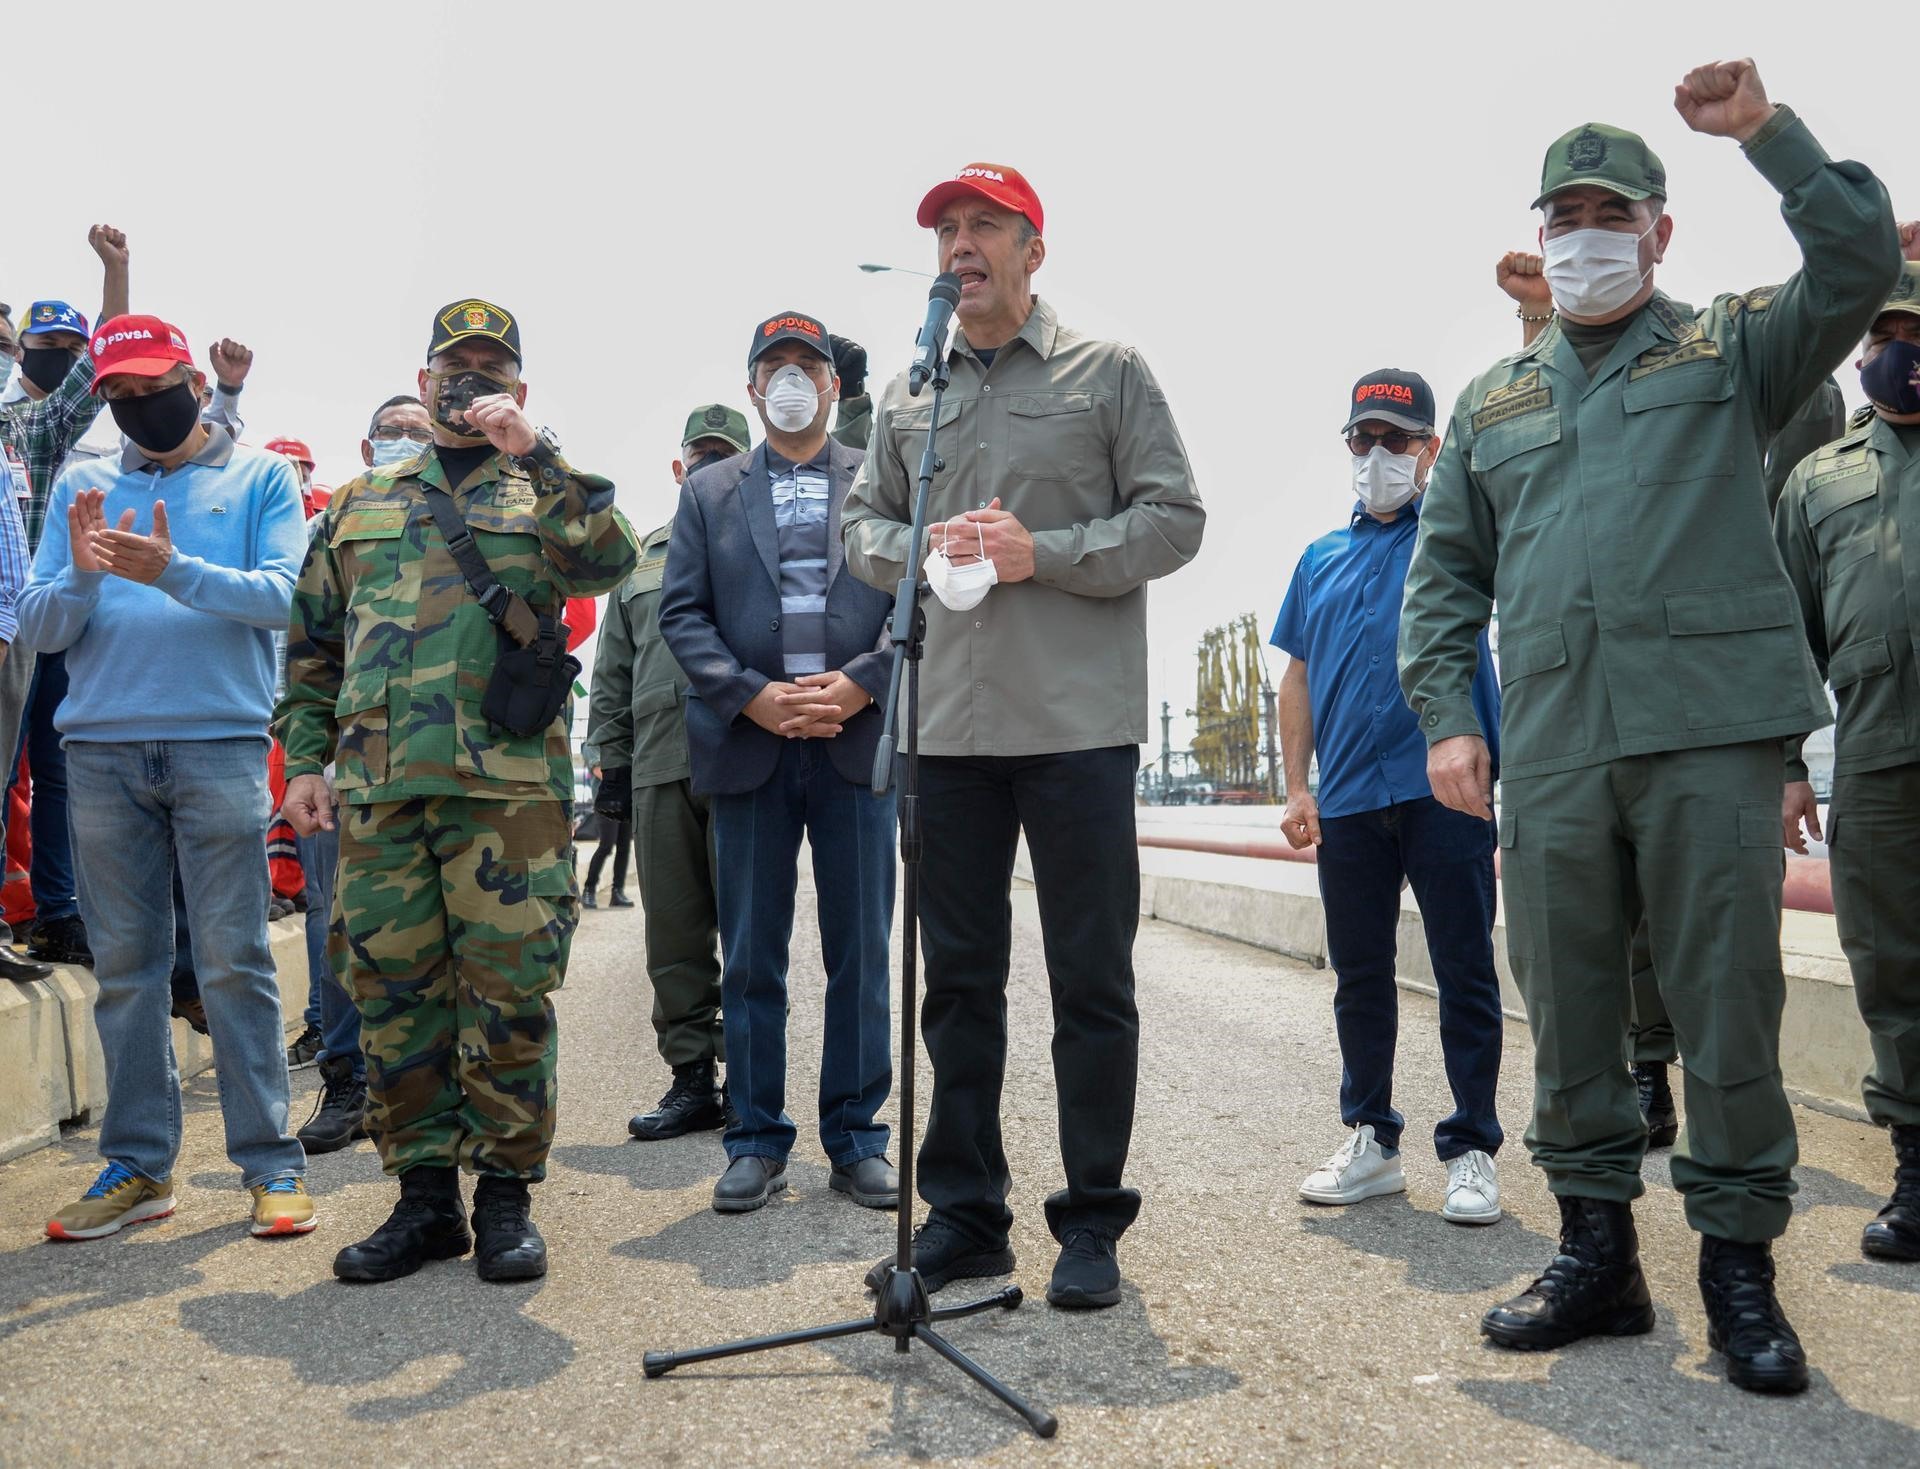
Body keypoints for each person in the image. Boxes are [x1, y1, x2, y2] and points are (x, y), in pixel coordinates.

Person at [1398, 61, 1900, 1395]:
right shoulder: (1498, 402)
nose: (1581, 235)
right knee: (1566, 1000)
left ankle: (1739, 1263)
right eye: (1561, 213)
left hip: (1710, 738)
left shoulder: (1730, 348)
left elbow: (1853, 258)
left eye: (1609, 211)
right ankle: (1597, 1253)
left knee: (1725, 1004)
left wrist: (1764, 133)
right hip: (1557, 743)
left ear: (1659, 232)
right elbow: (1444, 573)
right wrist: (1452, 715)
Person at [843, 163, 1205, 1308]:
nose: (962, 244)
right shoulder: (911, 394)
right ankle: (965, 1214)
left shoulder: (1109, 372)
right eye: (948, 228)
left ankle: (1091, 1220)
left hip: (1076, 728)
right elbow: (862, 522)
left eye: (984, 226)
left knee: (1090, 976)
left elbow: (1175, 518)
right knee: (956, 984)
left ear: (1033, 249)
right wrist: (923, 550)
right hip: (945, 726)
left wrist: (1033, 552)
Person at [278, 299, 634, 1283]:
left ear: (516, 384)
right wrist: (306, 759)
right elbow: (310, 648)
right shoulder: (358, 503)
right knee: (396, 999)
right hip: (384, 798)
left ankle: (508, 1195)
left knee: (509, 997)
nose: (469, 378)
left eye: (491, 366)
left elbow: (612, 553)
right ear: (425, 375)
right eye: (454, 363)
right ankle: (425, 1200)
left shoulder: (543, 493)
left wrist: (539, 452)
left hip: (506, 799)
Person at [1494, 248, 1849, 1151]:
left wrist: (1784, 756)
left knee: (1722, 962)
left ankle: (1734, 1213)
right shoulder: (1549, 393)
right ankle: (1645, 1078)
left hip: (1723, 698)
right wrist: (1542, 324)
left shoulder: (1741, 376)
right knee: (1624, 936)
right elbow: (1559, 473)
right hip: (1601, 702)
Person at [21, 313, 313, 1240]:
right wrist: (81, 576)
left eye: (153, 387)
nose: (139, 406)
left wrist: (171, 568)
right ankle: (139, 1167)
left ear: (190, 377)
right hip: (101, 753)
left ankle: (269, 1164)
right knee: (126, 972)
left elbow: (285, 597)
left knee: (235, 963)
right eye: (118, 394)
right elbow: (37, 624)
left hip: (219, 745)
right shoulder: (81, 482)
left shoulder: (261, 475)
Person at [659, 312, 899, 1215]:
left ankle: (857, 1137)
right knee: (752, 957)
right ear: (754, 389)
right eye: (777, 367)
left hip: (854, 743)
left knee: (861, 955)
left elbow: (908, 604)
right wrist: (749, 694)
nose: (793, 379)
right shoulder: (710, 490)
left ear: (835, 386)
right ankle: (755, 1138)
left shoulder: (880, 480)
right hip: (750, 744)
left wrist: (863, 684)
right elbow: (682, 613)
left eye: (810, 365)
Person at [1275, 369, 1507, 1225]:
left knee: (1462, 968)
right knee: (1360, 975)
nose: (1376, 455)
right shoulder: (1318, 559)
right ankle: (1371, 1136)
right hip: (1348, 802)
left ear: (1429, 450)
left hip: (1445, 789)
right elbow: (1295, 680)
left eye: (1395, 440)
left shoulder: (1458, 540)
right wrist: (1298, 785)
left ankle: (1473, 1144)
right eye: (1362, 439)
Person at [1776, 255, 1920, 1265]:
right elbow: (1788, 633)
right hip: (1876, 753)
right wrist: (1789, 759)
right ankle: (1917, 1169)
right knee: (1892, 964)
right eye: (1890, 336)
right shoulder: (1820, 477)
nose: (1904, 354)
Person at [586, 402, 748, 1142]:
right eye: (700, 454)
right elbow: (612, 665)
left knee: (751, 931)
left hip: (748, 757)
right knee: (674, 934)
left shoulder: (769, 542)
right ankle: (692, 1079)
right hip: (657, 764)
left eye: (727, 454)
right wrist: (608, 762)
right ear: (679, 467)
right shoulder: (639, 557)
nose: (710, 465)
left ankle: (752, 1082)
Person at [290, 394, 436, 1152]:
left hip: (457, 772)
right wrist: (305, 760)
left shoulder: (491, 500)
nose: (404, 441)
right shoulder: (340, 517)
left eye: (417, 430)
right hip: (354, 768)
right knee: (341, 931)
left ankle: (448, 1117)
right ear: (367, 441)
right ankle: (345, 1082)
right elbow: (309, 648)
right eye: (393, 431)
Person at [0, 226, 128, 984]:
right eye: (32, 341)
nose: (36, 353)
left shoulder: (28, 433)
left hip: (46, 626)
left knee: (55, 766)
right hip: (9, 631)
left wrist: (115, 271)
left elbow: (100, 363)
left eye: (43, 343)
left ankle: (56, 914)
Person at [576, 771, 631, 908]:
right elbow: (600, 772)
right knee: (606, 845)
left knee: (624, 847)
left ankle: (617, 892)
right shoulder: (592, 748)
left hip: (625, 800)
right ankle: (589, 890)